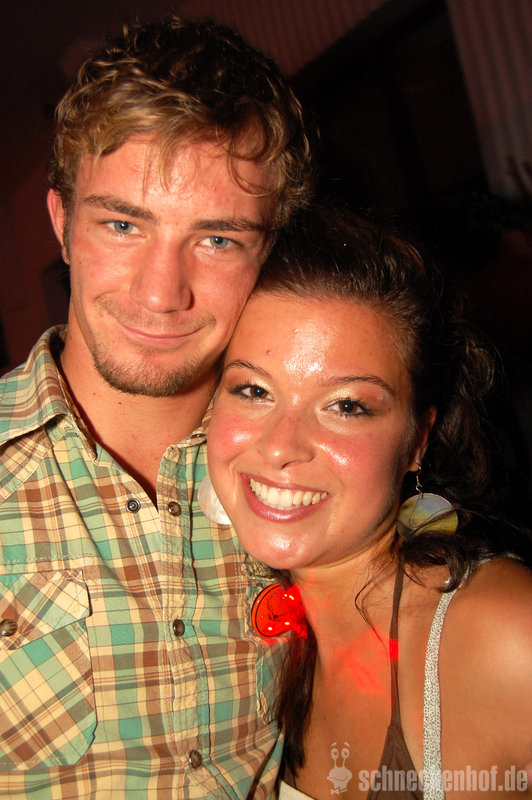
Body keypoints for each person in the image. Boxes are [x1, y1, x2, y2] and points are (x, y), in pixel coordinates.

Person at [0, 16, 312, 799]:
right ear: (61, 223)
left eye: (217, 240)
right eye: (122, 223)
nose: (160, 293)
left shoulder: (309, 475)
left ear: (268, 253)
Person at [207, 205, 532, 799]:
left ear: (418, 440)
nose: (280, 446)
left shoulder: (505, 633)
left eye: (347, 406)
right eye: (253, 389)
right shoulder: (253, 653)